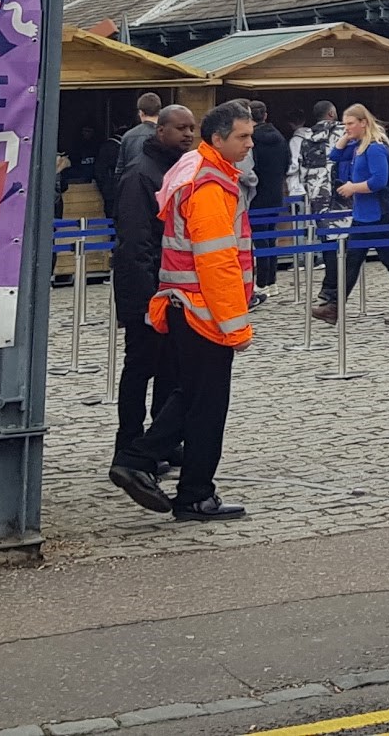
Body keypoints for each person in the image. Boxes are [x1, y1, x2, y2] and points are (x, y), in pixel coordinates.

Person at [109, 101, 256, 522]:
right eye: (243, 136)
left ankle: (147, 464)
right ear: (218, 139)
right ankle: (188, 490)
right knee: (206, 405)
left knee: (191, 395)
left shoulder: (195, 169)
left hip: (185, 304)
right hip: (202, 309)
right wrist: (235, 327)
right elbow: (216, 261)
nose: (250, 143)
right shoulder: (209, 184)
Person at [109, 99, 199, 469]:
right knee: (140, 368)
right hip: (146, 290)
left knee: (171, 368)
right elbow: (135, 242)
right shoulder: (140, 174)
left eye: (191, 128)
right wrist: (147, 300)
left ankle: (161, 441)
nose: (188, 134)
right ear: (160, 130)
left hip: (173, 288)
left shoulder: (178, 168)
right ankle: (129, 445)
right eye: (181, 128)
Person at [314, 104, 389, 324]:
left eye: (350, 123)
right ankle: (335, 306)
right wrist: (346, 136)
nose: (347, 127)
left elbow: (379, 180)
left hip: (378, 214)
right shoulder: (358, 146)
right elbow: (335, 155)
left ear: (363, 122)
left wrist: (353, 187)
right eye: (344, 124)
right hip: (363, 214)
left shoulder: (375, 148)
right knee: (354, 260)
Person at [249, 105, 290, 293]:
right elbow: (287, 164)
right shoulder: (280, 138)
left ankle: (262, 282)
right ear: (265, 115)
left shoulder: (251, 140)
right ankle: (271, 280)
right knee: (271, 236)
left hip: (257, 193)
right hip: (275, 193)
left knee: (259, 238)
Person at [103, 91, 165, 207]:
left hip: (133, 193)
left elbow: (119, 170)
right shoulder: (166, 135)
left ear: (140, 113)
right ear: (160, 111)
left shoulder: (128, 136)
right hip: (160, 192)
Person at [297, 101, 344, 212]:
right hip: (341, 188)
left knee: (320, 220)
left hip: (315, 189)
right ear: (331, 113)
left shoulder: (307, 136)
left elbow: (302, 167)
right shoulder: (343, 131)